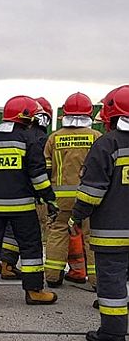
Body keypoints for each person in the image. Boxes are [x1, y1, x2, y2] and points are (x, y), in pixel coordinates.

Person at [0, 95, 59, 305]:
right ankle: (34, 291)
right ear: (27, 117)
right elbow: (37, 175)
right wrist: (49, 198)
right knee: (30, 246)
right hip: (22, 206)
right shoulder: (28, 139)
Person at [70, 86, 129, 341]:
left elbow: (92, 192)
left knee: (112, 281)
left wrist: (76, 217)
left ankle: (113, 333)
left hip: (113, 233)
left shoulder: (107, 144)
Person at [42, 92, 100, 287]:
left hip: (60, 198)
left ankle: (53, 276)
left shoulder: (54, 138)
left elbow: (46, 169)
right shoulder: (97, 138)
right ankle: (97, 281)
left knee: (58, 232)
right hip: (89, 197)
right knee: (92, 236)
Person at [0, 97, 53, 278]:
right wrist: (47, 195)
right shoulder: (41, 138)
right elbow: (40, 170)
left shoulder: (16, 134)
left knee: (7, 228)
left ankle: (5, 263)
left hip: (6, 188)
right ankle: (14, 268)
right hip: (28, 191)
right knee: (26, 232)